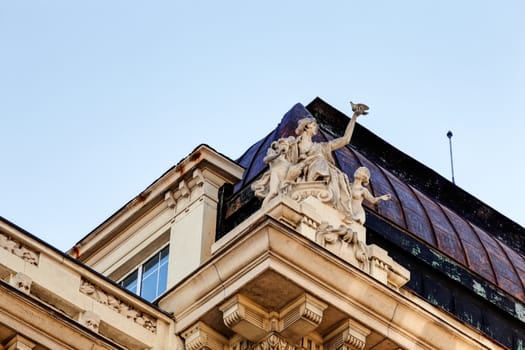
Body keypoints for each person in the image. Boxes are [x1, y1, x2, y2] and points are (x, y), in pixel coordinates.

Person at [291, 110, 361, 219]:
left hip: (321, 170)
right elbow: (291, 161)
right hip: (305, 171)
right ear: (307, 127)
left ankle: (343, 207)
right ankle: (315, 183)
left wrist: (354, 117)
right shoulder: (295, 144)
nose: (316, 128)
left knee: (341, 176)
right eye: (314, 125)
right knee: (321, 161)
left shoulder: (321, 147)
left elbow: (345, 140)